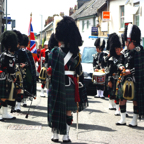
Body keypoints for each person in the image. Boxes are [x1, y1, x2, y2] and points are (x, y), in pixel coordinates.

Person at [47, 16, 83, 143]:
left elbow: (49, 68)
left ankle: (55, 134)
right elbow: (79, 71)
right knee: (68, 111)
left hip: (56, 84)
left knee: (56, 109)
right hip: (70, 84)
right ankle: (66, 136)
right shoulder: (76, 54)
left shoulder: (53, 52)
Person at [116, 24, 144, 127]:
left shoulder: (139, 50)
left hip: (135, 79)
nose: (126, 43)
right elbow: (119, 62)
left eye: (127, 42)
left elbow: (140, 67)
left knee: (135, 100)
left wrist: (130, 71)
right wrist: (121, 67)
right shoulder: (125, 51)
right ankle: (123, 119)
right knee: (121, 99)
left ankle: (135, 120)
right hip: (124, 78)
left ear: (133, 41)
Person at [0, 31, 18, 120]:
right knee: (3, 96)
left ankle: (5, 113)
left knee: (5, 96)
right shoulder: (7, 56)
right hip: (5, 78)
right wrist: (14, 77)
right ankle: (2, 113)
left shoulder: (4, 55)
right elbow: (10, 68)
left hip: (4, 77)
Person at [106, 33, 124, 115]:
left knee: (121, 95)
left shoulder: (123, 57)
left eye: (118, 49)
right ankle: (117, 109)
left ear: (121, 48)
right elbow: (110, 70)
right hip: (114, 78)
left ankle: (121, 110)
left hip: (121, 77)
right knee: (114, 93)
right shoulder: (112, 58)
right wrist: (109, 80)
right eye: (115, 49)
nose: (117, 51)